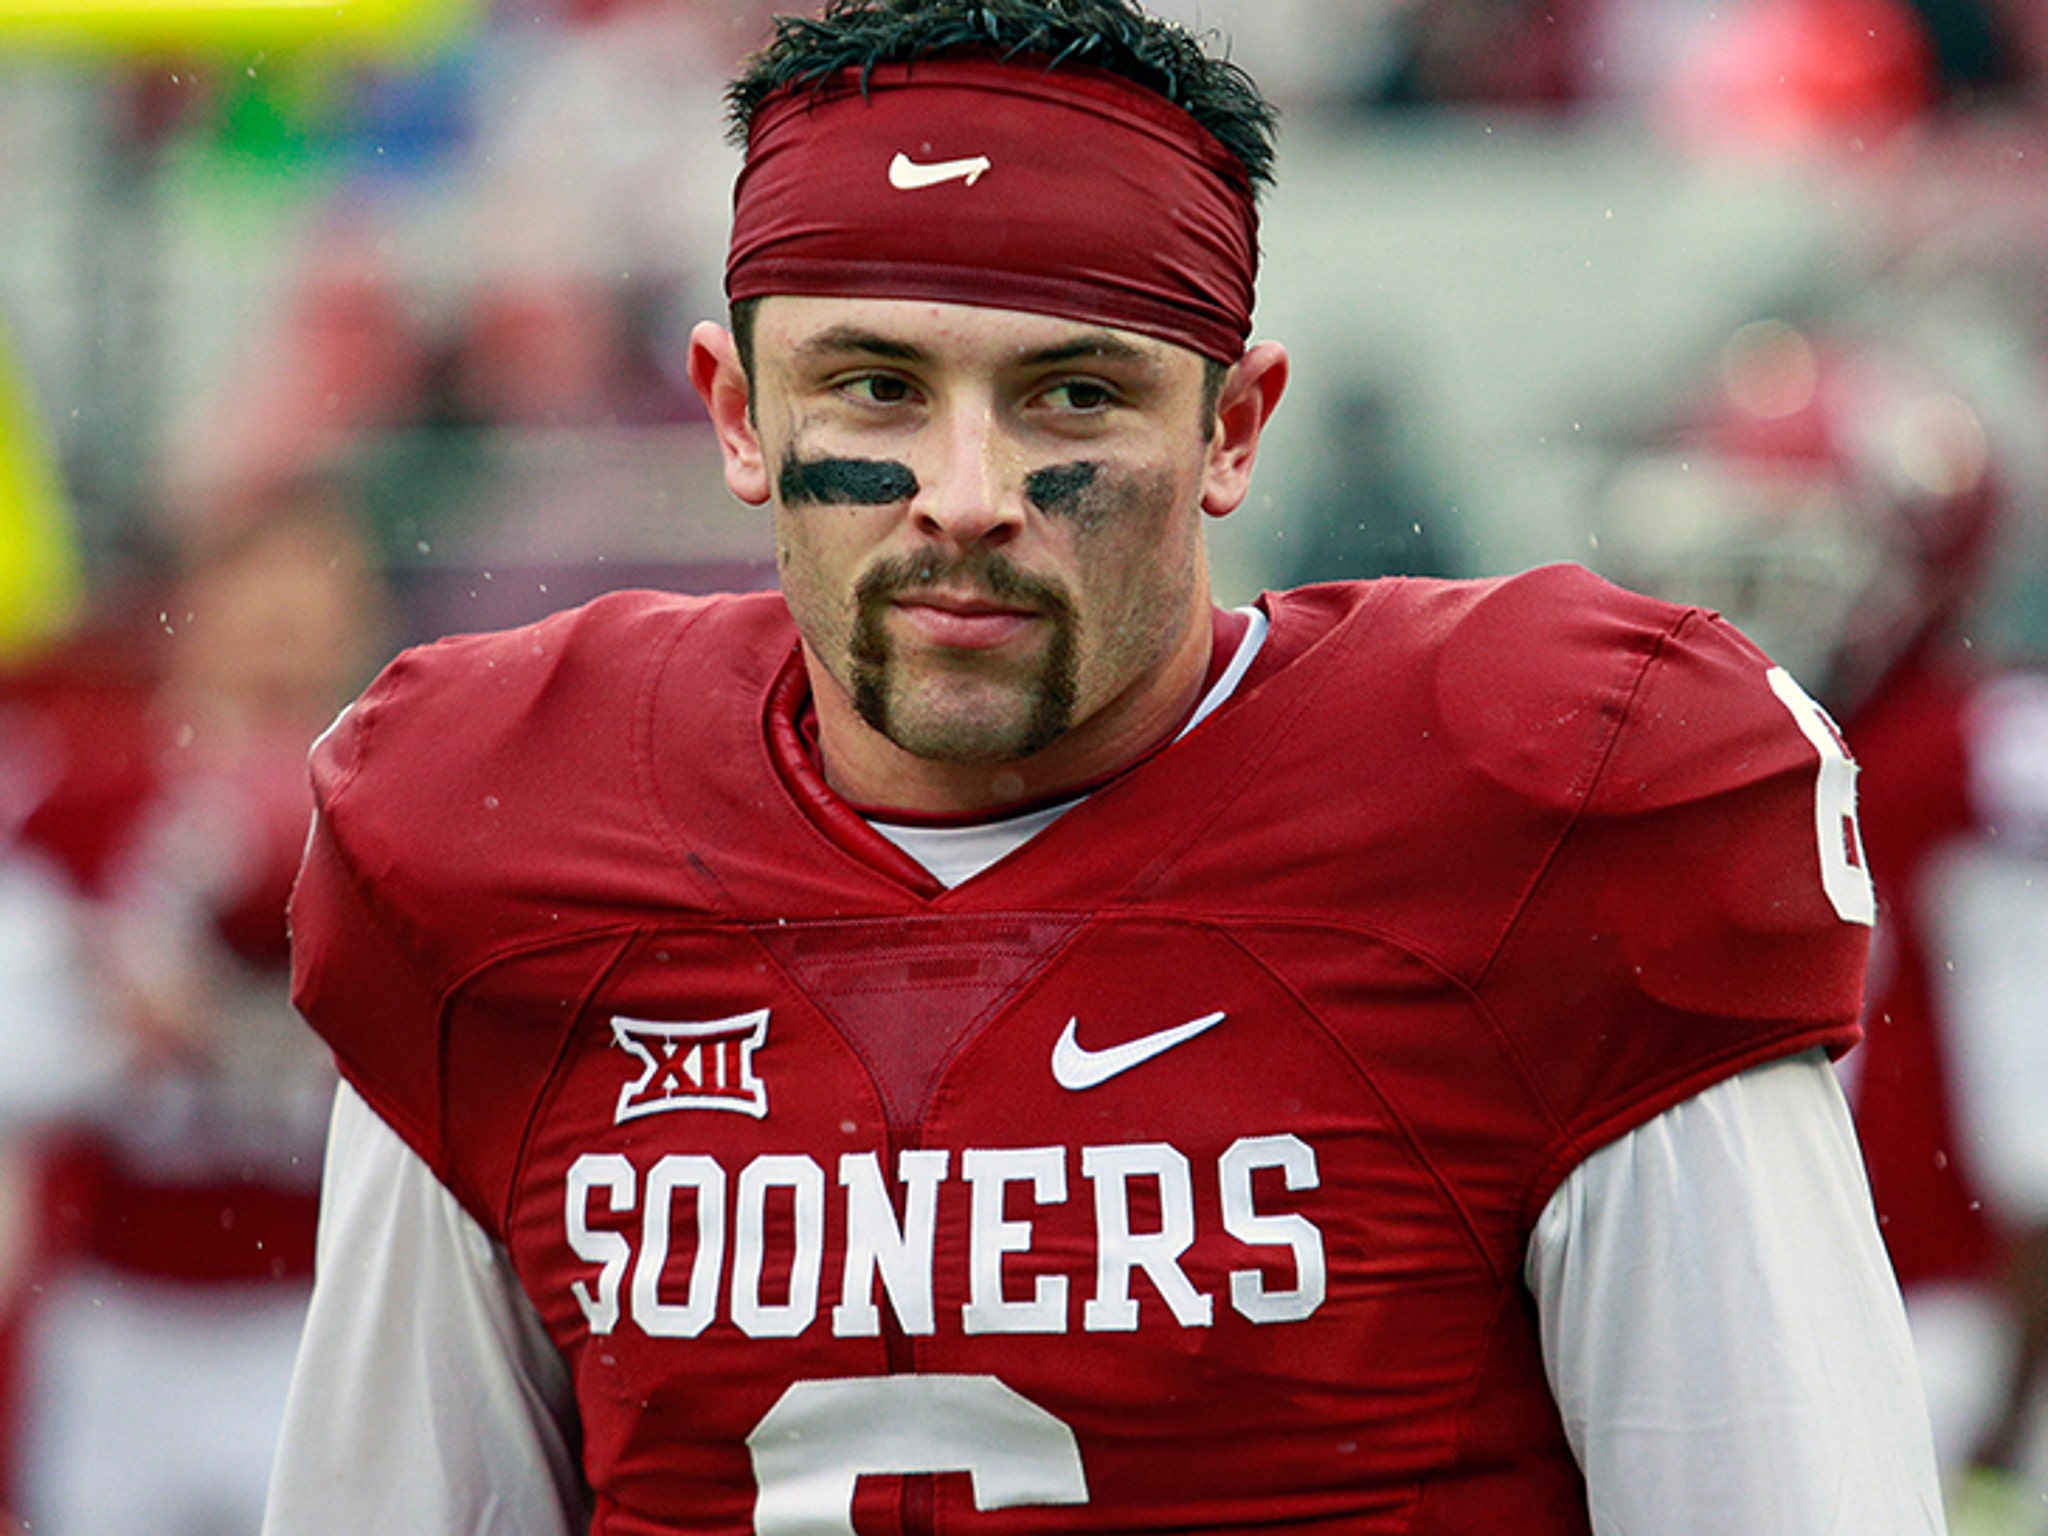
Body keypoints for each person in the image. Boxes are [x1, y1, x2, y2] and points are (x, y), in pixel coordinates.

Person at [261, 2, 1948, 1532]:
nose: (968, 489)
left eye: (1073, 393)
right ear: (732, 411)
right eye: (874, 384)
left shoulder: (1538, 821)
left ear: (1231, 428)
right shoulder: (499, 842)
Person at [1583, 313, 2048, 1526]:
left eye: (1780, 566)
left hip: (1949, 1336)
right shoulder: (1759, 771)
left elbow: (2031, 1144)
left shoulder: (1962, 758)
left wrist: (2001, 1417)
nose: (1735, 611)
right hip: (1801, 1321)